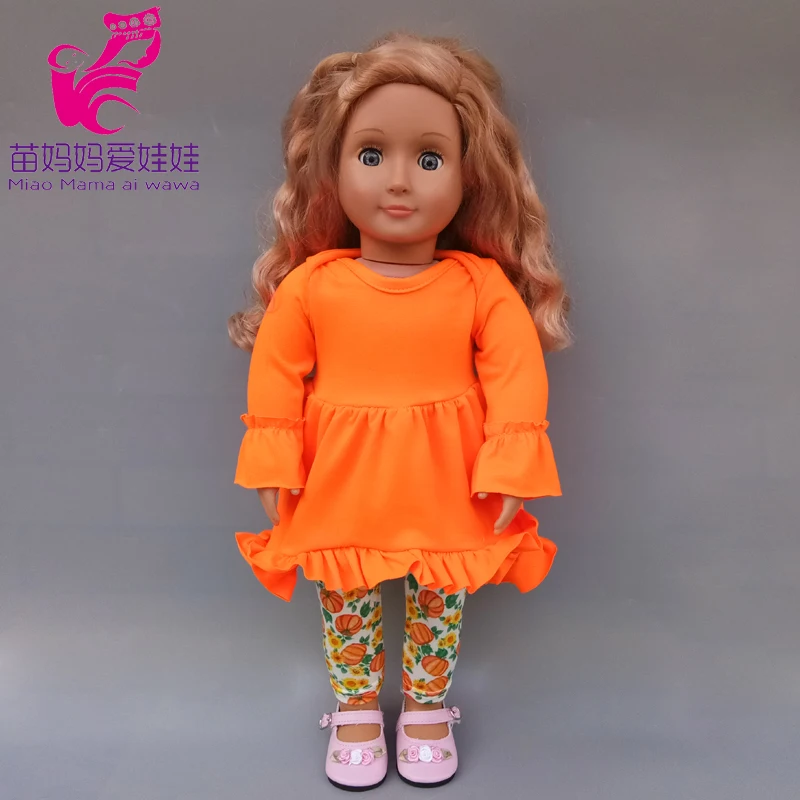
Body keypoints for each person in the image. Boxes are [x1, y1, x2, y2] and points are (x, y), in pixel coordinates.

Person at [227, 30, 573, 791]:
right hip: (341, 475)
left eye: (430, 159)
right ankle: (355, 708)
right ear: (334, 169)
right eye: (371, 153)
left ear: (468, 176)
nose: (399, 181)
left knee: (441, 593)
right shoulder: (313, 285)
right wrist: (275, 461)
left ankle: (425, 709)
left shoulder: (479, 285)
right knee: (344, 590)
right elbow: (275, 378)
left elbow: (516, 376)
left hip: (446, 476)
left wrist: (511, 459)